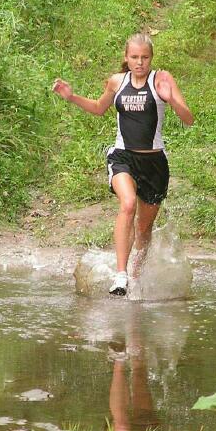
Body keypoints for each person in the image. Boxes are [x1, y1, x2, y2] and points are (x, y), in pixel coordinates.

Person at [52, 33, 194, 296]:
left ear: (151, 58)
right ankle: (121, 275)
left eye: (145, 57)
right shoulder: (117, 81)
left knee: (143, 229)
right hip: (123, 157)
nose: (140, 62)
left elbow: (189, 119)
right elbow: (98, 107)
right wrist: (71, 97)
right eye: (134, 57)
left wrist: (171, 99)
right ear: (126, 58)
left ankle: (135, 276)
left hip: (154, 163)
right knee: (127, 204)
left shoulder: (161, 79)